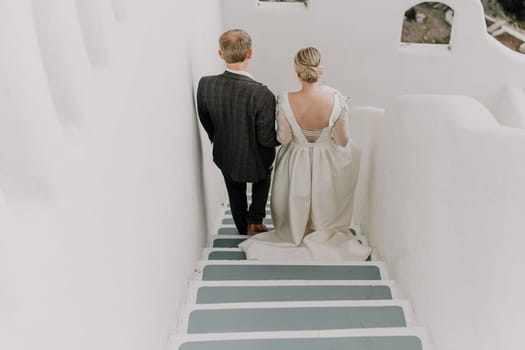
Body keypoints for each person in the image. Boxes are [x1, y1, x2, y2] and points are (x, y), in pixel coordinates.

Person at [239, 47, 372, 261]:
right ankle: (320, 228)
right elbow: (342, 140)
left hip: (295, 158)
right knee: (324, 194)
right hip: (326, 159)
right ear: (320, 70)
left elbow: (283, 138)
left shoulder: (284, 99)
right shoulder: (337, 101)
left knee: (297, 192)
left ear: (297, 72)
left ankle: (296, 229)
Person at [197, 29, 279, 236]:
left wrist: (220, 138)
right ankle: (255, 220)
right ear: (250, 53)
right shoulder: (263, 94)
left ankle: (243, 229)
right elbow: (266, 138)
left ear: (220, 54)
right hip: (256, 160)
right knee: (263, 176)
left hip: (225, 154)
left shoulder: (205, 85)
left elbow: (206, 121)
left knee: (235, 190)